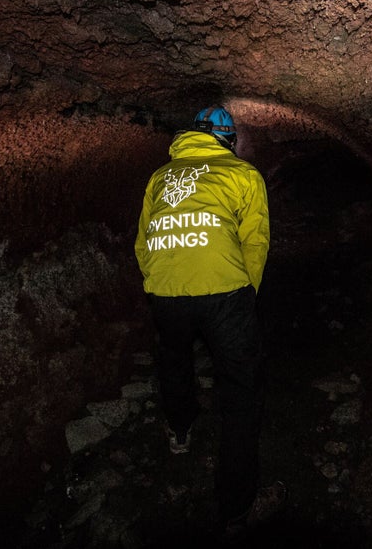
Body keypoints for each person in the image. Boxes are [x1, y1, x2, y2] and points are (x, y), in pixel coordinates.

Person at [134, 104, 286, 537]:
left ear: (191, 135)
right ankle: (237, 506)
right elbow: (255, 240)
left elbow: (143, 242)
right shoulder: (241, 174)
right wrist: (246, 292)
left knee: (175, 359)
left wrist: (159, 279)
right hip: (224, 290)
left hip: (165, 289)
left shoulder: (160, 177)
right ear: (228, 139)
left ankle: (179, 430)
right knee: (241, 388)